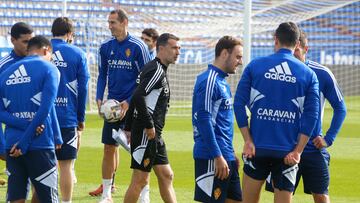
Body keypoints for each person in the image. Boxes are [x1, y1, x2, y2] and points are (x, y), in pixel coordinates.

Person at [233, 22, 320, 203]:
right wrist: (298, 151)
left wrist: (248, 140)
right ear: (297, 44)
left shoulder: (255, 66)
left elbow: (239, 104)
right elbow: (312, 116)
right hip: (287, 152)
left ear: (276, 40)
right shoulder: (308, 74)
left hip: (257, 148)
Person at [265, 29, 347, 203]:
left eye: (296, 50)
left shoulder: (322, 73)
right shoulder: (279, 73)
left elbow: (340, 107)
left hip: (312, 149)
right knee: (283, 195)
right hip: (285, 147)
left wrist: (329, 138)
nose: (292, 54)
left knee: (321, 195)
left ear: (305, 49)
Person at [90, 8, 151, 202]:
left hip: (134, 107)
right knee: (109, 148)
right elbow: (102, 75)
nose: (109, 26)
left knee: (138, 151)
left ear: (124, 23)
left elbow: (146, 80)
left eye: (113, 23)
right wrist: (99, 98)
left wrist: (128, 102)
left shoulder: (138, 47)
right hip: (112, 109)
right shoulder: (105, 47)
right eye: (108, 23)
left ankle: (144, 194)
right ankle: (107, 193)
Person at [0, 35, 62, 203]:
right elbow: (45, 109)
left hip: (12, 145)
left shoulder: (6, 73)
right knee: (48, 198)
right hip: (39, 144)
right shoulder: (50, 69)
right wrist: (25, 141)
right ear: (46, 50)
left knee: (16, 199)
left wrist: (22, 126)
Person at [123, 33, 180, 203]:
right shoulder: (156, 69)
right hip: (147, 133)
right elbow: (138, 96)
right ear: (161, 48)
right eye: (174, 48)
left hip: (154, 135)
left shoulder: (156, 68)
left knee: (166, 175)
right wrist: (148, 125)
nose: (178, 52)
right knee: (140, 180)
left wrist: (127, 127)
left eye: (179, 48)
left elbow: (136, 95)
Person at [192, 36, 243, 203]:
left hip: (225, 155)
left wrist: (230, 153)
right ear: (224, 54)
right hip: (211, 157)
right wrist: (217, 156)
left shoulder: (222, 81)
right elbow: (204, 120)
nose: (240, 62)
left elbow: (221, 122)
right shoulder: (209, 80)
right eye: (237, 57)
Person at [50, 17, 90, 203]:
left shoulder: (39, 51)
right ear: (70, 34)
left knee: (42, 165)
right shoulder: (77, 53)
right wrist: (80, 117)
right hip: (66, 116)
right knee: (66, 166)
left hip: (40, 118)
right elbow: (83, 89)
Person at [0, 22, 34, 160]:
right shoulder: (4, 66)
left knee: (41, 181)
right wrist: (1, 146)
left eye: (31, 41)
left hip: (40, 134)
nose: (29, 46)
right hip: (14, 136)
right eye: (25, 42)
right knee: (19, 181)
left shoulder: (39, 63)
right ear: (13, 40)